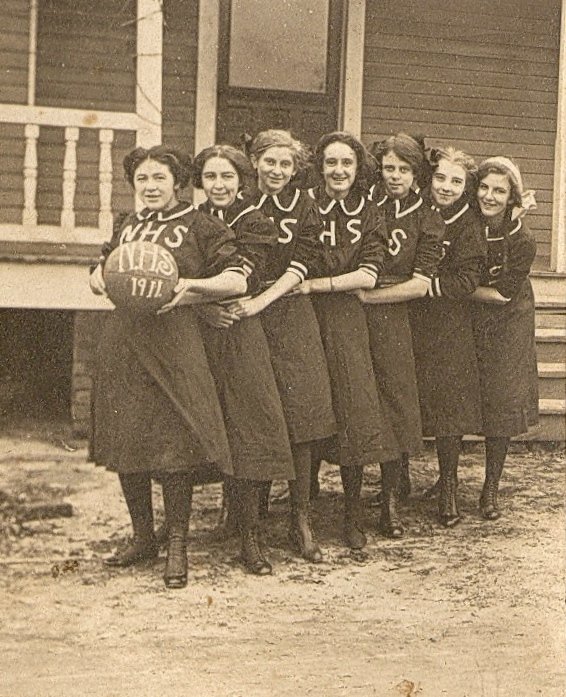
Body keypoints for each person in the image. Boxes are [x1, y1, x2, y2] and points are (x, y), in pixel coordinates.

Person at [89, 145, 250, 589]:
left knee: (174, 446)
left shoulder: (200, 224)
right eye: (142, 179)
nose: (151, 186)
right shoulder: (128, 224)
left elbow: (237, 278)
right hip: (125, 343)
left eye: (159, 178)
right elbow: (100, 266)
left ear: (177, 182)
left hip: (175, 346)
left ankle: (177, 542)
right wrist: (98, 277)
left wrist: (191, 286)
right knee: (127, 440)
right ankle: (143, 536)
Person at [228, 129, 336, 562]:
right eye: (269, 162)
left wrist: (262, 301)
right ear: (254, 162)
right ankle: (245, 520)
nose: (276, 171)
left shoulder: (307, 205)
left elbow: (301, 264)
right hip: (244, 316)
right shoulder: (238, 204)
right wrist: (245, 304)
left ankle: (300, 517)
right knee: (253, 415)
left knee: (303, 417)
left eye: (285, 164)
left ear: (296, 169)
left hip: (288, 313)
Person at [192, 144, 294, 574]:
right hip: (199, 331)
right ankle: (225, 518)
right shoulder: (189, 221)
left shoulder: (254, 221)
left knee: (251, 426)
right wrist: (200, 308)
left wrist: (219, 301)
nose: (219, 185)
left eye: (227, 177)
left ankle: (251, 537)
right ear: (200, 181)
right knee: (209, 423)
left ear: (241, 180)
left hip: (241, 329)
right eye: (211, 177)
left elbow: (246, 274)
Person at [299, 131, 389, 549]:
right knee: (309, 405)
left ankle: (353, 514)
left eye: (346, 164)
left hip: (347, 323)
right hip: (305, 320)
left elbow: (367, 276)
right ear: (320, 167)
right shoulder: (305, 205)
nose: (338, 171)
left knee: (353, 411)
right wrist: (332, 283)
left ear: (358, 169)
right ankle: (303, 508)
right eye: (331, 163)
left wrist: (316, 284)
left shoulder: (370, 212)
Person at [357, 133, 444, 537]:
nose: (395, 176)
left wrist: (370, 298)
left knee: (395, 403)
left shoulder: (428, 216)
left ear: (417, 174)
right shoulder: (365, 204)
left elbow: (420, 284)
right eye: (389, 168)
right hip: (355, 312)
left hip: (396, 316)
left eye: (404, 170)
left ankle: (391, 501)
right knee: (358, 396)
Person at [409, 146, 486, 526]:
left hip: (448, 328)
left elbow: (467, 280)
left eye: (456, 181)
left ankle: (449, 488)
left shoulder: (468, 225)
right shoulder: (418, 212)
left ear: (466, 187)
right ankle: (397, 484)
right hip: (411, 323)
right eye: (440, 178)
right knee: (408, 400)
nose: (446, 186)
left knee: (448, 412)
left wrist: (421, 286)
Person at [469, 156, 538, 520]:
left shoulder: (522, 237)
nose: (490, 196)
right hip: (472, 315)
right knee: (463, 391)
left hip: (508, 317)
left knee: (501, 397)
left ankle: (490, 488)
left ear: (512, 195)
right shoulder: (468, 223)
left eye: (499, 190)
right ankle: (445, 480)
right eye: (484, 187)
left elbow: (502, 294)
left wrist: (455, 289)